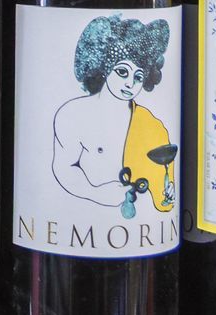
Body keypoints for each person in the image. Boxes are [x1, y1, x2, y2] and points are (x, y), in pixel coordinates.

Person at [49, 14, 176, 219]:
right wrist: (96, 193)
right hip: (77, 215)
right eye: (122, 72)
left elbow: (163, 195)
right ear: (105, 69)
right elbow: (64, 168)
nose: (130, 84)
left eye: (138, 77)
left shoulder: (152, 127)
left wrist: (168, 196)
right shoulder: (72, 114)